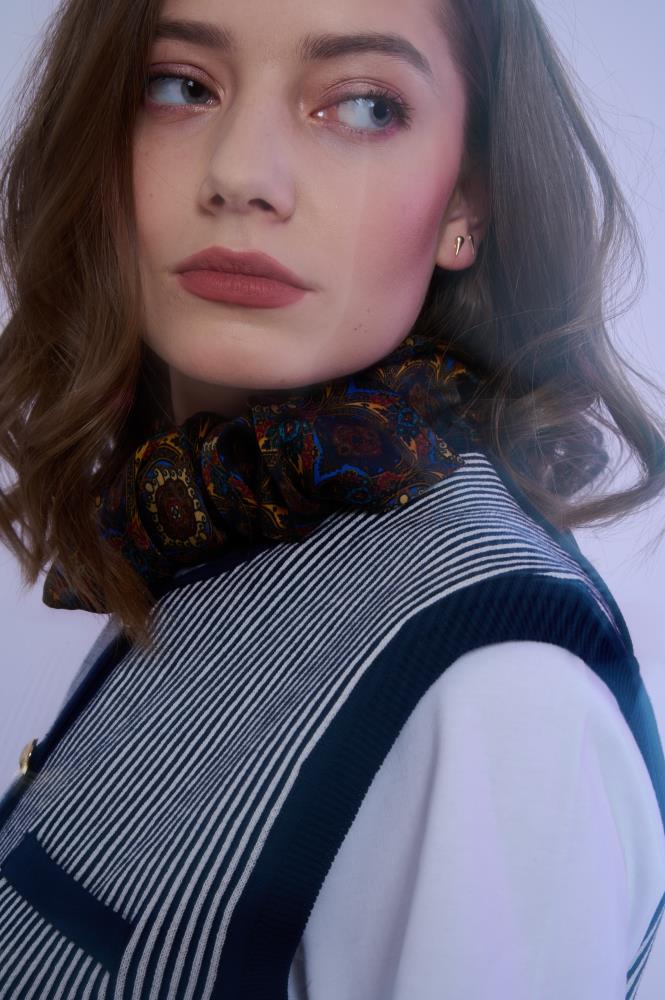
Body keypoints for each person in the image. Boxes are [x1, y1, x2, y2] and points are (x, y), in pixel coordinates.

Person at [0, 0, 664, 997]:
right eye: (179, 86)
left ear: (465, 201)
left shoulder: (494, 690)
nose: (240, 176)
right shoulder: (203, 516)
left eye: (360, 104)